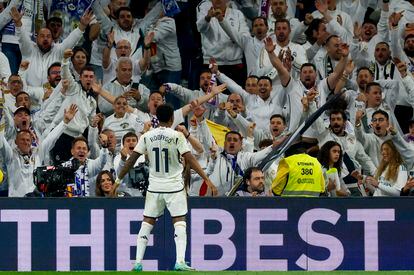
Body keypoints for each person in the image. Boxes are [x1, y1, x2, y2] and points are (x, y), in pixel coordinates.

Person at [116, 104, 217, 271]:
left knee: (147, 222)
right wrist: (207, 179)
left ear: (157, 119)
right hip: (174, 187)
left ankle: (138, 263)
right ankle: (180, 262)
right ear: (171, 119)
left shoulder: (147, 136)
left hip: (155, 186)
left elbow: (131, 160)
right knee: (179, 222)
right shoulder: (177, 135)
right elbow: (190, 159)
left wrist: (117, 181)